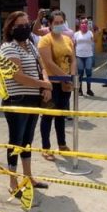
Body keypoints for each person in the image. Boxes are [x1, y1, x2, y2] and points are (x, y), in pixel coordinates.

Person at [0, 11, 53, 193]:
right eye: (19, 25)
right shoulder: (8, 48)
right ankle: (12, 182)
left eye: (26, 24)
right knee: (16, 141)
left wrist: (46, 86)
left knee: (28, 140)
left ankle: (28, 176)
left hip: (33, 98)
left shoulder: (30, 45)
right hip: (17, 99)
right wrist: (43, 83)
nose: (24, 28)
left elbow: (41, 67)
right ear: (11, 28)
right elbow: (18, 76)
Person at [37, 10, 75, 159]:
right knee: (48, 116)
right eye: (56, 23)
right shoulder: (45, 40)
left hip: (66, 83)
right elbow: (48, 62)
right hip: (51, 83)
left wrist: (72, 77)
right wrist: (65, 77)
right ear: (50, 24)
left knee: (61, 115)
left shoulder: (67, 39)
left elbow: (73, 59)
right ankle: (46, 148)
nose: (59, 25)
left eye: (61, 22)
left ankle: (62, 144)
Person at [73, 19, 96, 96]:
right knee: (80, 73)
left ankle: (89, 89)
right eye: (82, 23)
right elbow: (74, 44)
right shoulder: (76, 34)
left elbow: (94, 41)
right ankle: (80, 90)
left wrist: (92, 30)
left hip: (88, 56)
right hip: (79, 56)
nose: (84, 24)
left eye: (85, 23)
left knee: (89, 73)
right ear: (80, 24)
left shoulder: (90, 33)